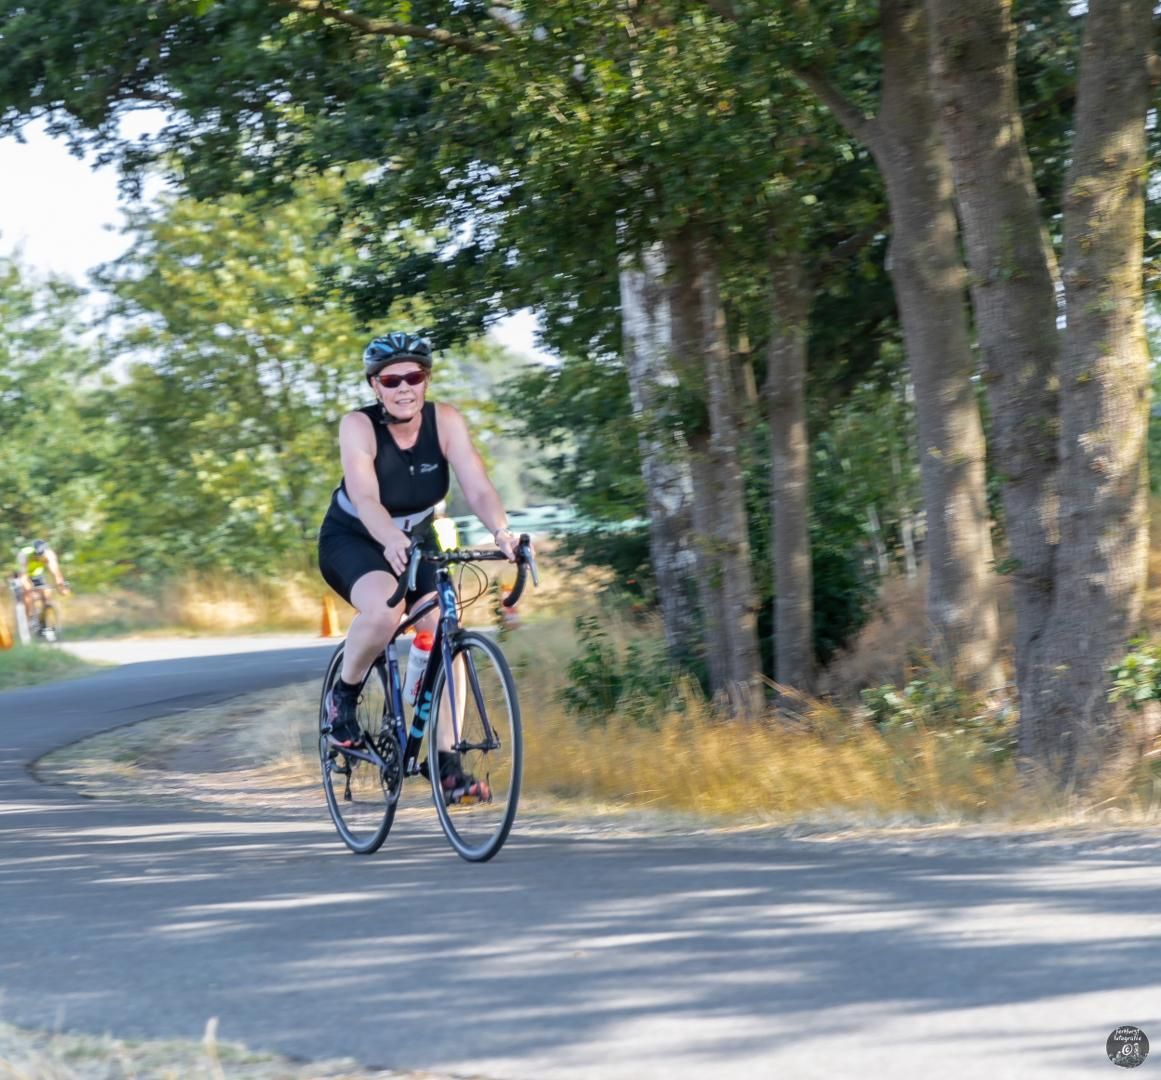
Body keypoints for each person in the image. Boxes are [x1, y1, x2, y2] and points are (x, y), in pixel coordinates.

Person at [317, 332, 523, 794]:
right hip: (355, 535)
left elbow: (478, 486)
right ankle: (343, 698)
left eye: (414, 376)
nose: (403, 387)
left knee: (445, 625)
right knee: (386, 613)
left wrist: (501, 532)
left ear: (426, 380)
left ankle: (446, 763)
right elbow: (366, 496)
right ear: (376, 386)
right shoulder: (359, 426)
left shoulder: (445, 421)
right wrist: (388, 536)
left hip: (419, 535)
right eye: (391, 379)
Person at [16, 539, 69, 627]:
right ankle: (30, 617)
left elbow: (56, 572)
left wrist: (61, 586)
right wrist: (27, 587)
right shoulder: (25, 554)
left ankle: (44, 617)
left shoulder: (49, 555)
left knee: (46, 592)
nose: (39, 558)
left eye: (41, 556)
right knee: (27, 592)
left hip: (37, 574)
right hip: (24, 574)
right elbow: (23, 576)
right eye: (37, 555)